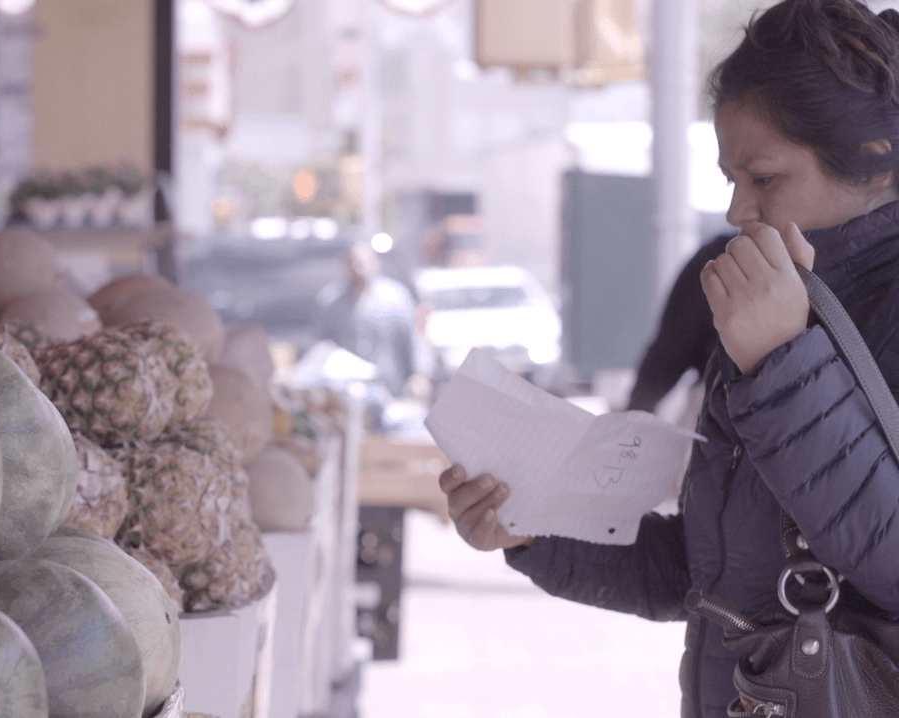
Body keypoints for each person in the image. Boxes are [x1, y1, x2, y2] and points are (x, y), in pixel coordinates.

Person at [438, 1, 899, 716]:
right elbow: (706, 573)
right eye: (730, 179)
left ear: (872, 162)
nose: (738, 211)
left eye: (764, 179)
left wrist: (783, 361)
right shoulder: (767, 303)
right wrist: (534, 527)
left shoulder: (791, 326)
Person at [312, 243, 434, 409]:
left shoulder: (395, 297)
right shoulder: (331, 301)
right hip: (345, 393)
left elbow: (413, 339)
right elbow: (321, 347)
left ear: (376, 263)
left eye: (364, 262)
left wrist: (420, 375)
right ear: (345, 266)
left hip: (389, 388)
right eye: (354, 262)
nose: (359, 267)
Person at [626, 233, 727, 414]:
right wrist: (632, 425)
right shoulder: (715, 262)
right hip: (712, 425)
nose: (735, 214)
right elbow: (665, 359)